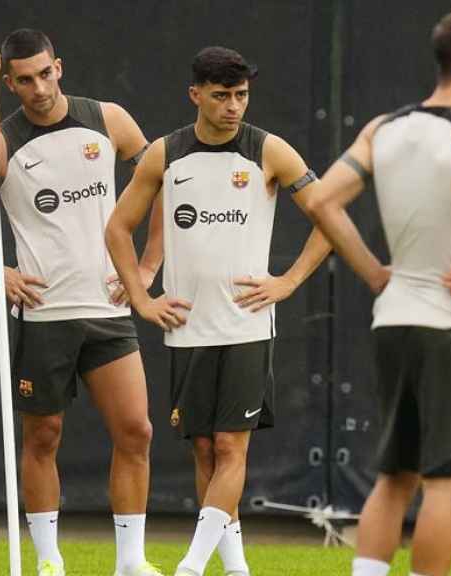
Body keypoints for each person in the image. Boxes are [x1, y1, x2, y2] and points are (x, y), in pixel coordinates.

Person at [0, 28, 163, 576]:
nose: (38, 87)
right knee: (44, 436)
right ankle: (49, 559)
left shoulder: (110, 120)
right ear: (9, 83)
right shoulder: (0, 144)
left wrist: (146, 268)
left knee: (137, 430)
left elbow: (159, 184)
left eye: (45, 73)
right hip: (43, 315)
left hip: (108, 311)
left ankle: (131, 561)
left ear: (60, 67)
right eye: (24, 80)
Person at [306, 10, 451, 576]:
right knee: (446, 485)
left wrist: (375, 273)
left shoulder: (383, 128)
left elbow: (322, 200)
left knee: (394, 477)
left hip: (393, 321)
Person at [105, 45, 331, 576]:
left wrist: (289, 281)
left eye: (242, 95)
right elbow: (118, 227)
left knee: (231, 446)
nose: (234, 106)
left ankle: (190, 565)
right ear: (196, 95)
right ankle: (236, 568)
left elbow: (330, 216)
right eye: (222, 95)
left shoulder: (269, 151)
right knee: (204, 450)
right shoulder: (165, 154)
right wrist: (141, 297)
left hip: (246, 326)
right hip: (186, 328)